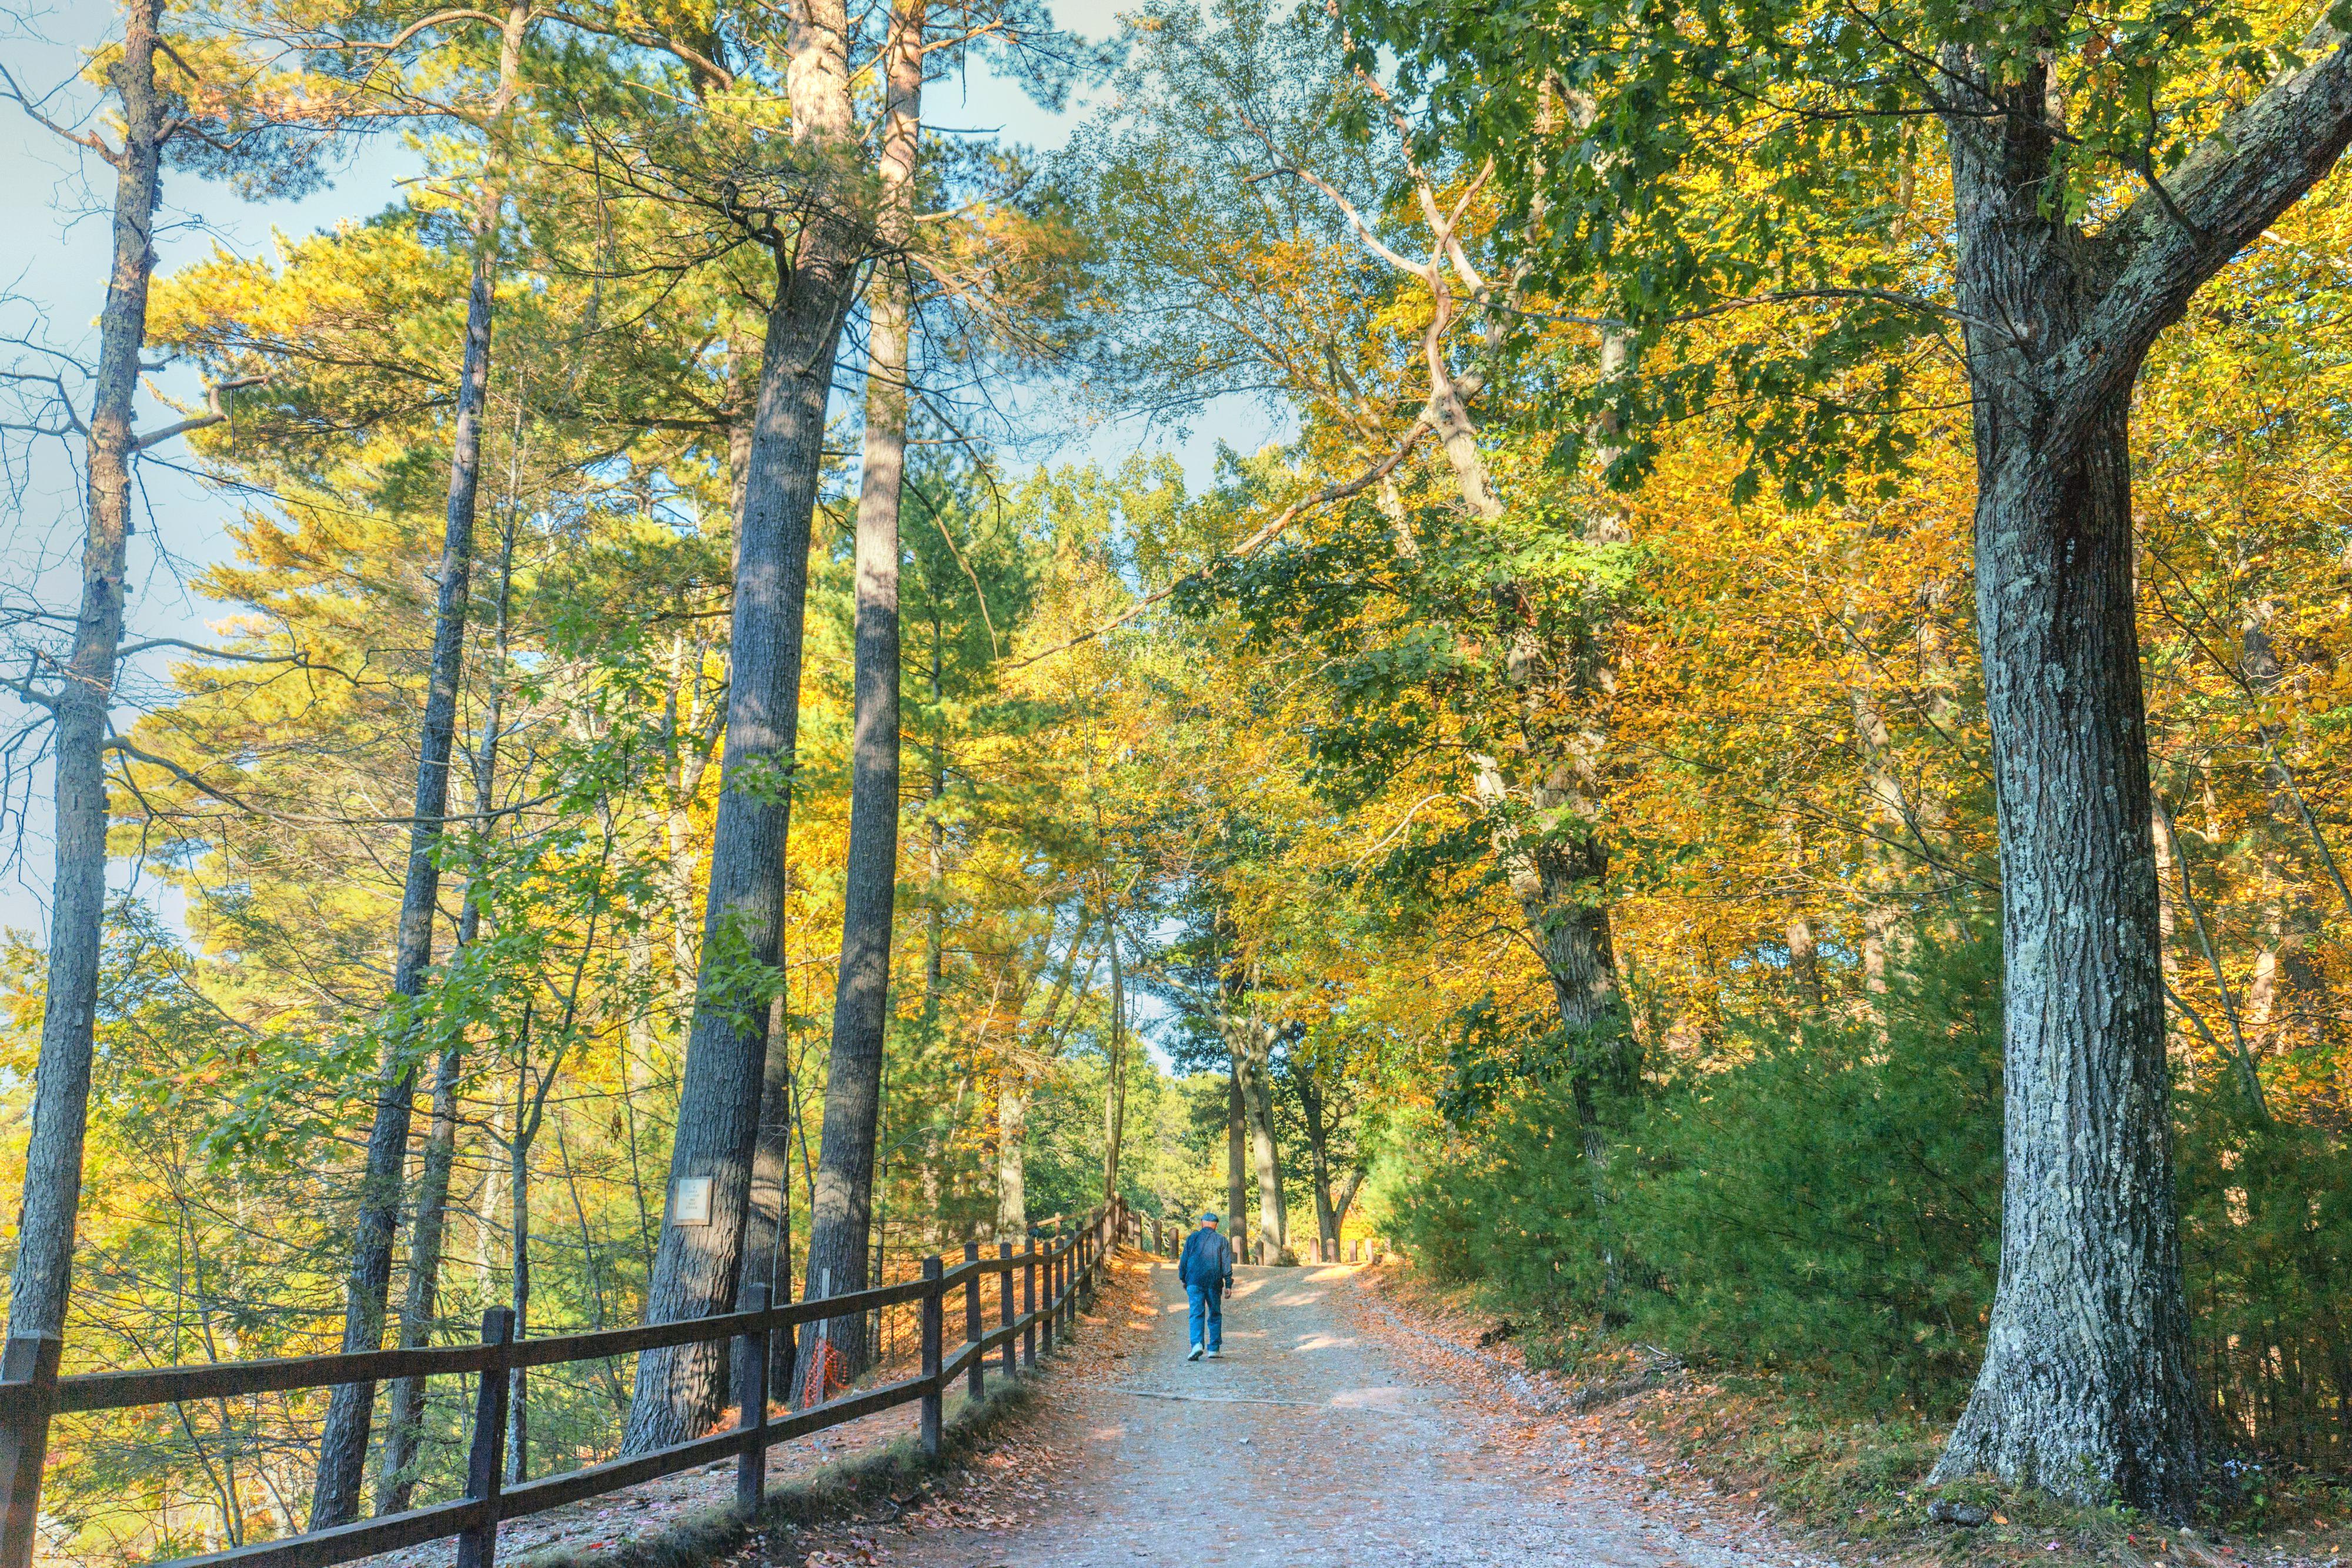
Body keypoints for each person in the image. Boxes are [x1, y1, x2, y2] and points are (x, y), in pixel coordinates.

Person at [1177, 1210, 1234, 1361]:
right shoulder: (1222, 1241)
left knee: (1196, 1313)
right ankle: (1214, 1349)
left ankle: (1197, 1345)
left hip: (1194, 1281)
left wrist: (1183, 1278)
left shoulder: (1192, 1239)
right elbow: (1226, 1265)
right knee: (1215, 1314)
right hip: (1214, 1283)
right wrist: (1228, 1284)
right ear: (1216, 1226)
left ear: (1202, 1224)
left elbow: (1184, 1261)